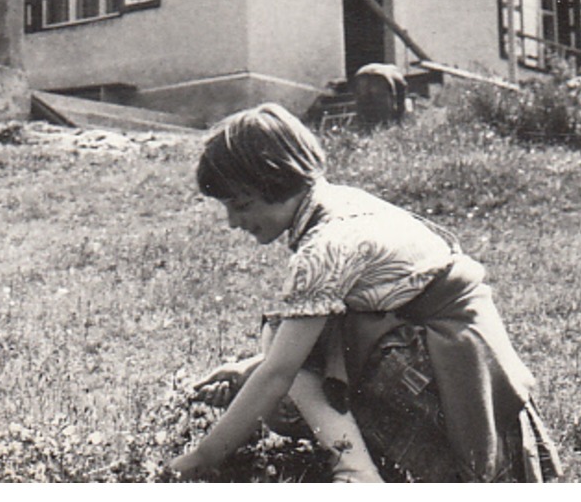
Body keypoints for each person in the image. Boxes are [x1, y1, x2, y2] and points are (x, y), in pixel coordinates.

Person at [167, 103, 558, 483]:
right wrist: (246, 371)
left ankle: (356, 474)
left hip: (458, 377)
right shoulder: (345, 201)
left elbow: (281, 371)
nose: (233, 222)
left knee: (282, 344)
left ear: (276, 179)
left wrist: (203, 458)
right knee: (289, 342)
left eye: (242, 204)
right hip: (472, 363)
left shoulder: (326, 246)